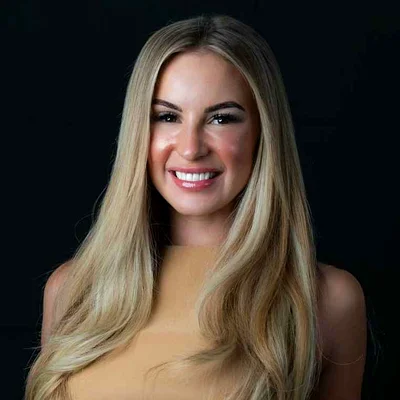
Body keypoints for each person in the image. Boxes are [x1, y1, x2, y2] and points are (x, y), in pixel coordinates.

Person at [25, 14, 367, 400]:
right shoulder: (72, 290)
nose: (190, 148)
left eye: (221, 118)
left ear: (263, 132)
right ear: (139, 131)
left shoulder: (327, 300)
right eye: (167, 117)